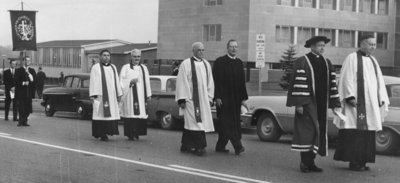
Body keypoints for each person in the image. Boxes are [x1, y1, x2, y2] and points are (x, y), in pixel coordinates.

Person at [333, 35, 390, 171]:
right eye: (371, 44)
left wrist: (381, 97)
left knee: (368, 133)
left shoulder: (373, 61)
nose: (373, 47)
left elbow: (379, 81)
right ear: (362, 43)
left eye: (375, 45)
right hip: (357, 104)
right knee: (356, 132)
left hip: (371, 105)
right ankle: (354, 162)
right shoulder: (352, 58)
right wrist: (350, 96)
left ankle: (364, 161)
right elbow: (346, 77)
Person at [286, 36, 341, 173]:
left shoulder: (327, 63)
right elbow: (298, 83)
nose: (322, 48)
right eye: (319, 45)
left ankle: (311, 162)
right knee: (307, 132)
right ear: (312, 47)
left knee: (319, 132)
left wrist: (334, 103)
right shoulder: (303, 61)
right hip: (307, 103)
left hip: (321, 104)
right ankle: (304, 163)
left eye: (323, 45)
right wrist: (299, 104)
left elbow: (332, 84)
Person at [175, 42, 215, 156]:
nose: (201, 52)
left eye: (203, 50)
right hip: (190, 99)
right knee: (195, 123)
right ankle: (199, 147)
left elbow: (210, 82)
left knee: (193, 124)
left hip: (203, 100)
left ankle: (186, 145)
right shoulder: (186, 64)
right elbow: (181, 81)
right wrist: (181, 99)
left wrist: (210, 97)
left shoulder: (206, 64)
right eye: (199, 50)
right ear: (193, 51)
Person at [213, 39, 248, 155]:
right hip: (223, 99)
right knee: (228, 123)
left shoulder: (239, 63)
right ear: (227, 48)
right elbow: (216, 81)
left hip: (236, 99)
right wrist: (217, 97)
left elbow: (242, 82)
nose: (234, 49)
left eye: (236, 47)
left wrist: (243, 98)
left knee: (227, 123)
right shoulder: (220, 62)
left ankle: (220, 146)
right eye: (232, 46)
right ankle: (238, 146)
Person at [89, 49, 122, 141]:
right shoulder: (96, 67)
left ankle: (108, 132)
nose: (106, 57)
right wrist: (92, 95)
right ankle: (101, 133)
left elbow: (116, 81)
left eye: (108, 55)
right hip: (100, 94)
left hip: (111, 95)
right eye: (104, 55)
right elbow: (92, 81)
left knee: (109, 114)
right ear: (100, 57)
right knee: (100, 114)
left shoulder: (113, 67)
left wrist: (119, 94)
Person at [120, 49, 152, 140]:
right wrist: (129, 81)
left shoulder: (144, 68)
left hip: (141, 95)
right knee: (131, 113)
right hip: (130, 94)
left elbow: (147, 81)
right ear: (131, 57)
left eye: (138, 56)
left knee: (140, 114)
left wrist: (148, 94)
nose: (136, 58)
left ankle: (137, 133)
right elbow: (121, 81)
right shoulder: (126, 67)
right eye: (134, 56)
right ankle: (130, 134)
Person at [14, 56, 36, 127]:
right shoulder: (19, 70)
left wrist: (29, 74)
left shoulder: (32, 70)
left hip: (29, 92)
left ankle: (25, 120)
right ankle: (20, 121)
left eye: (29, 60)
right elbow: (16, 81)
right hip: (21, 92)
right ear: (23, 61)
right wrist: (23, 83)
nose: (28, 62)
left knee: (28, 107)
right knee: (21, 107)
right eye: (26, 60)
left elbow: (34, 80)